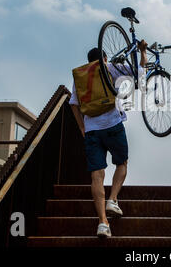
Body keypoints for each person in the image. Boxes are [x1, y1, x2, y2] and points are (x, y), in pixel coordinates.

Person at [69, 40, 148, 238]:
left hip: (92, 130)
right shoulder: (110, 67)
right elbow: (140, 74)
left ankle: (103, 223)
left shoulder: (82, 76)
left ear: (88, 62)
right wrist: (143, 52)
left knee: (97, 175)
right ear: (104, 58)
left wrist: (82, 127)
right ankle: (112, 199)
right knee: (122, 163)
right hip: (113, 125)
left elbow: (73, 103)